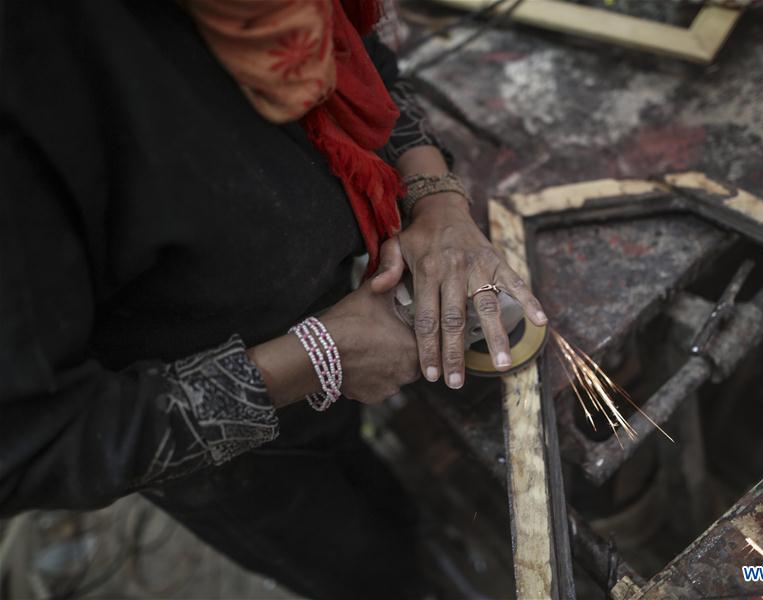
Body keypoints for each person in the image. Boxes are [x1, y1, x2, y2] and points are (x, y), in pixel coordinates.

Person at [0, 0, 547, 597]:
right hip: (213, 450)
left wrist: (436, 199)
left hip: (331, 322)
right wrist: (317, 357)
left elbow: (359, 59)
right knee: (359, 564)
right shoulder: (28, 86)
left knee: (383, 498)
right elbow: (32, 445)